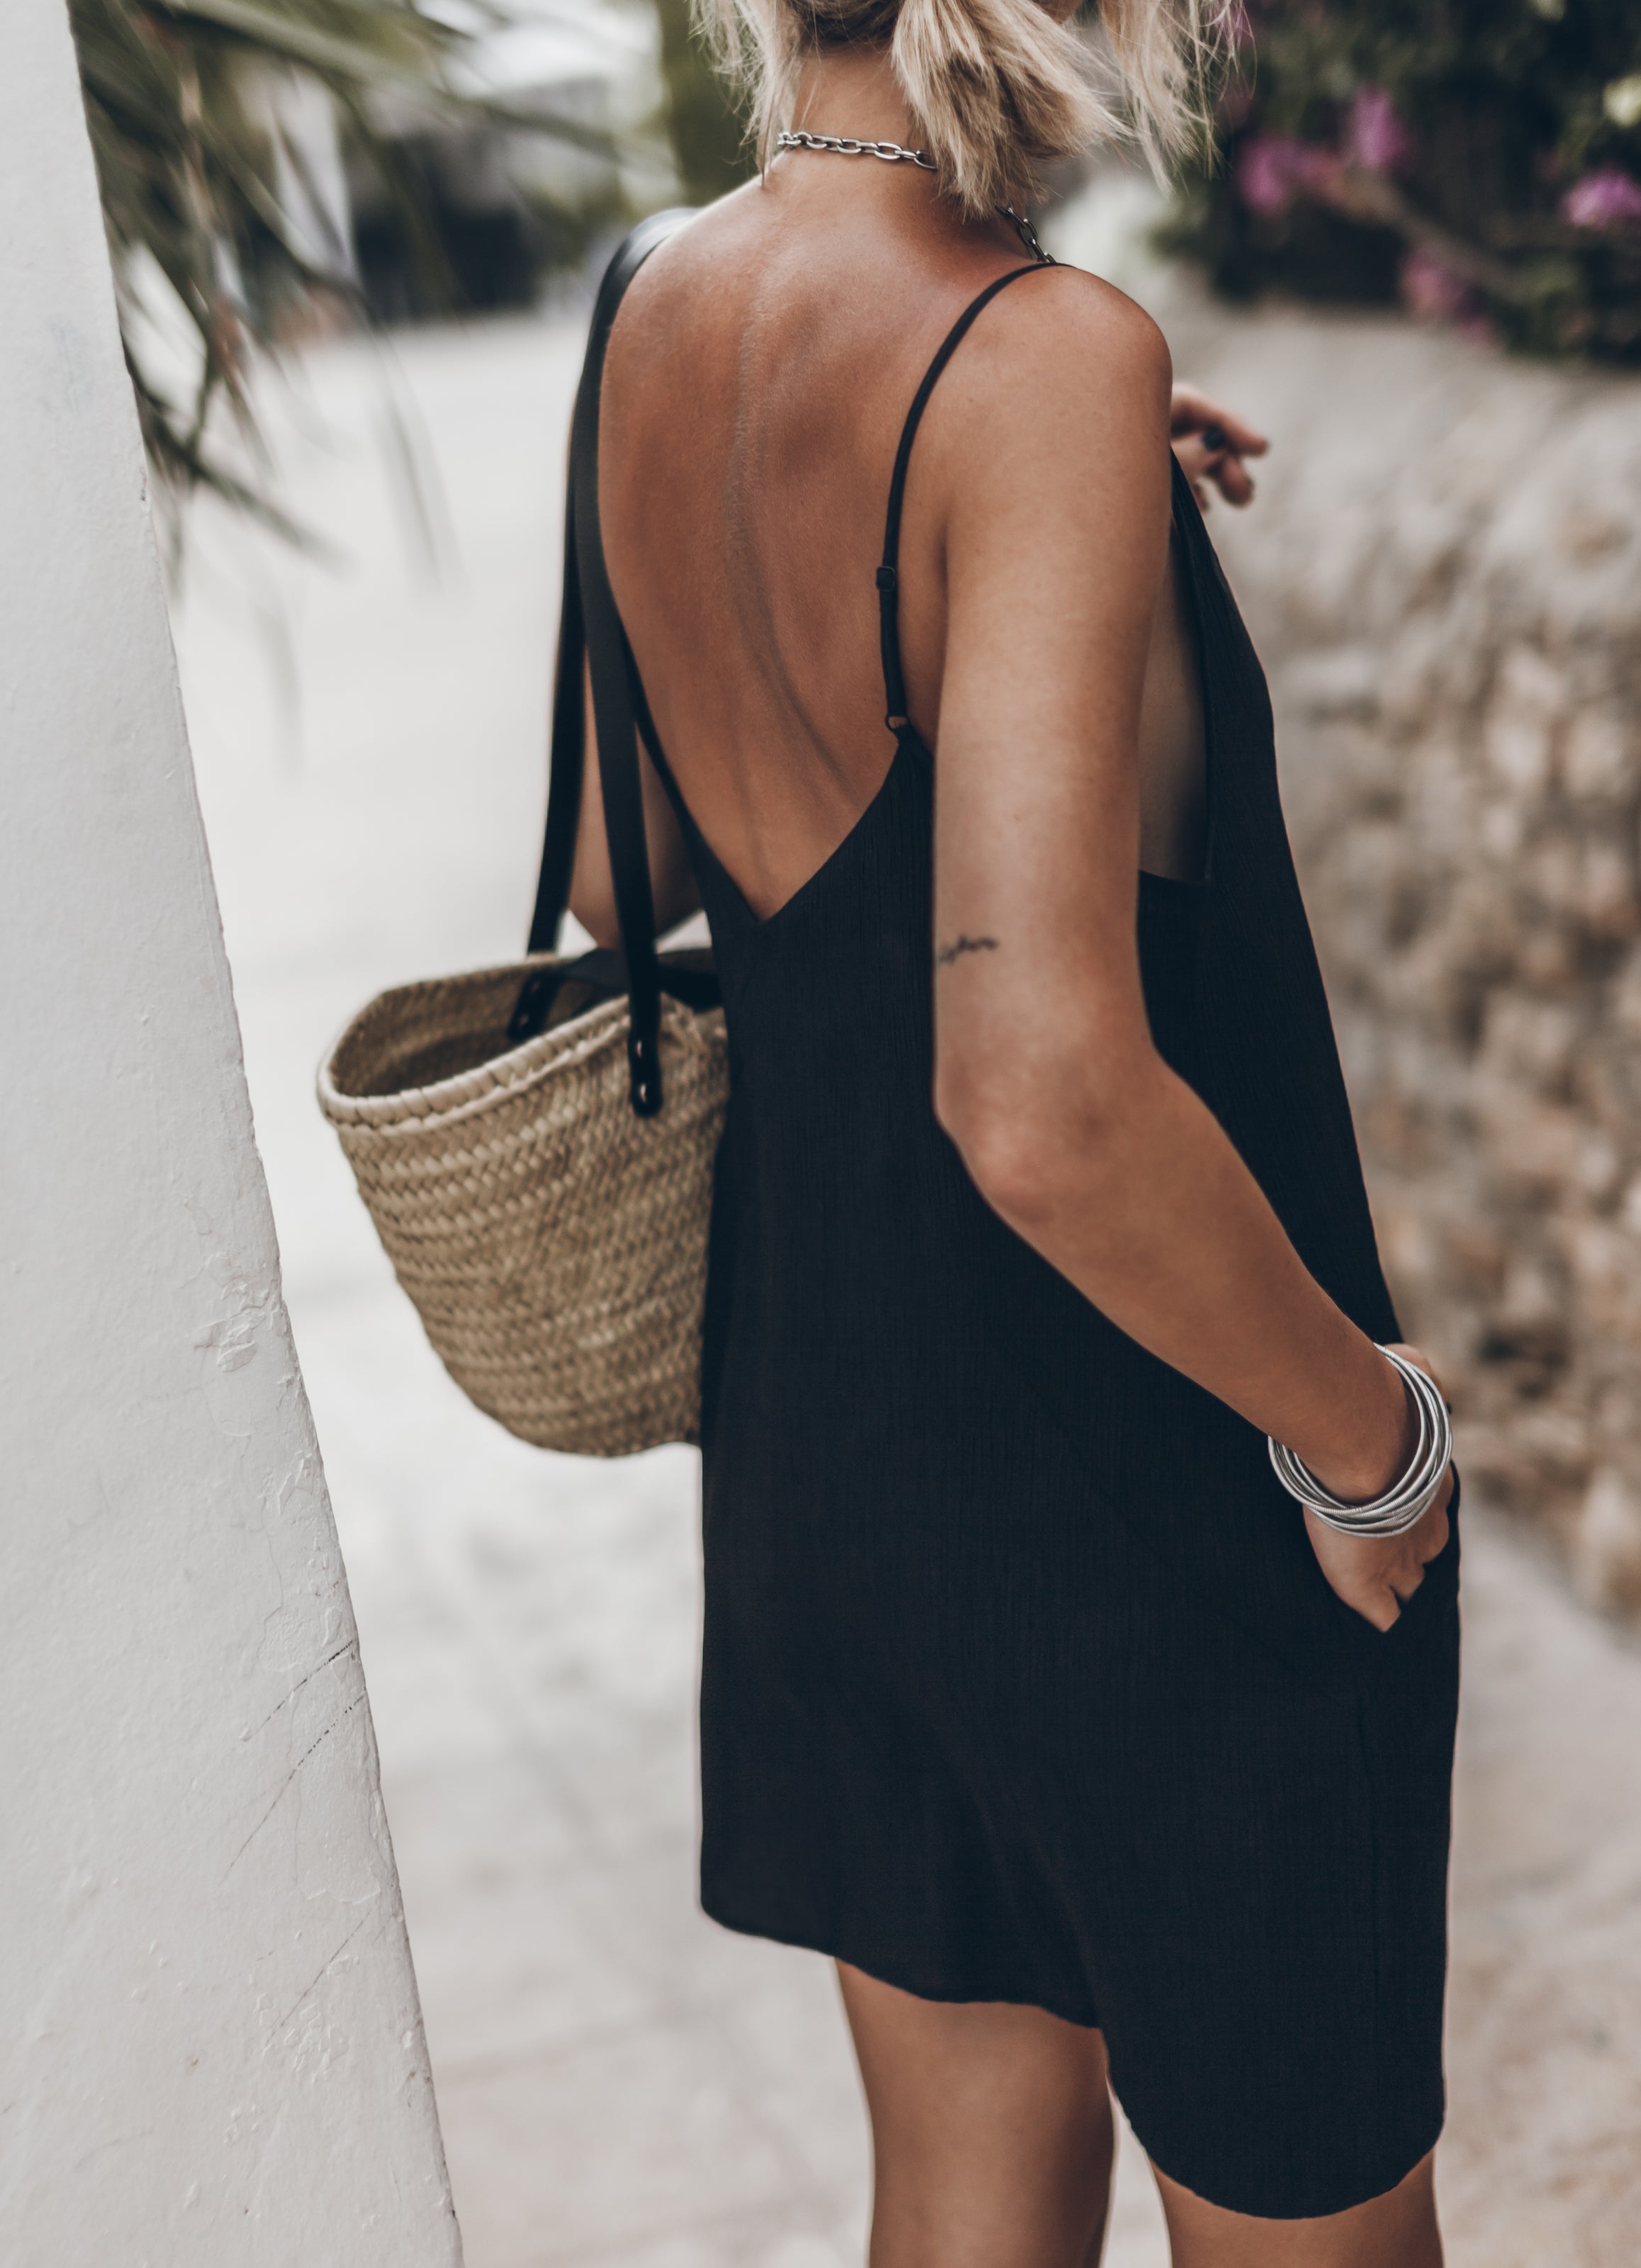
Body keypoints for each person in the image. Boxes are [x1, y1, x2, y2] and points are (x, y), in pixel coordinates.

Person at [567, 0, 1460, 2256]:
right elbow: (1039, 1098)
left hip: (831, 1462)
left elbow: (610, 871)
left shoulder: (648, 306)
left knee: (968, 2195)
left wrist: (1022, 496)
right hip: (1150, 1479)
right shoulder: (1038, 360)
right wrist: (1367, 1442)